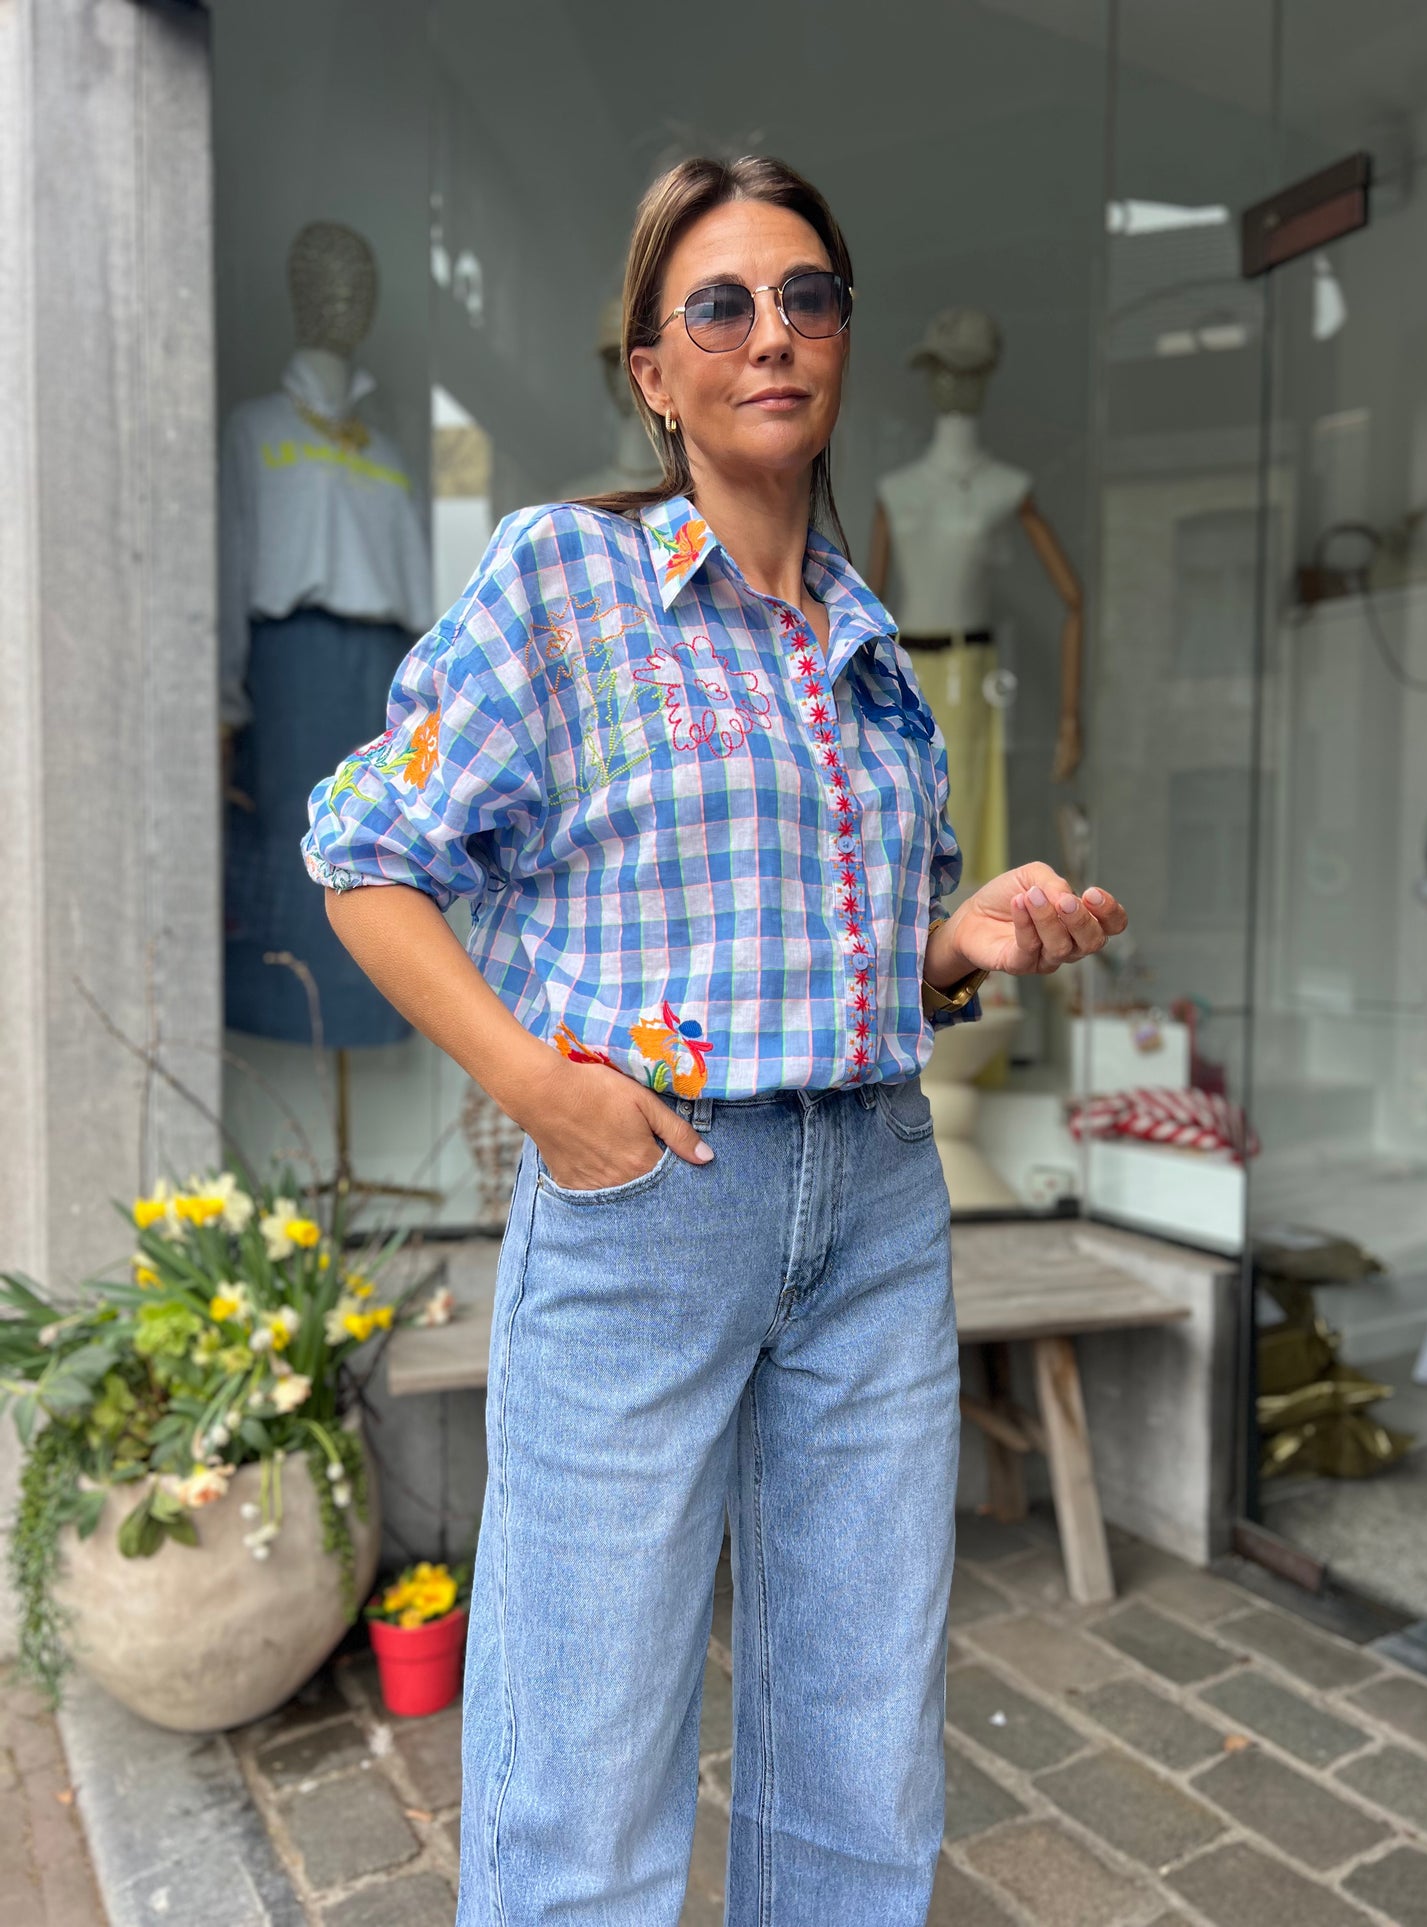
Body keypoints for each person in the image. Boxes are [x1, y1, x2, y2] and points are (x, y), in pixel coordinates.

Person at [301, 154, 1127, 1927]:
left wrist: (952, 951)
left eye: (809, 298)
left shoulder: (867, 643)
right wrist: (533, 1089)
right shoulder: (563, 586)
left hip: (878, 1210)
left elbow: (834, 966)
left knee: (859, 1737)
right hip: (648, 1206)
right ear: (652, 370)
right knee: (583, 1766)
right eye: (722, 306)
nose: (775, 336)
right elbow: (362, 855)